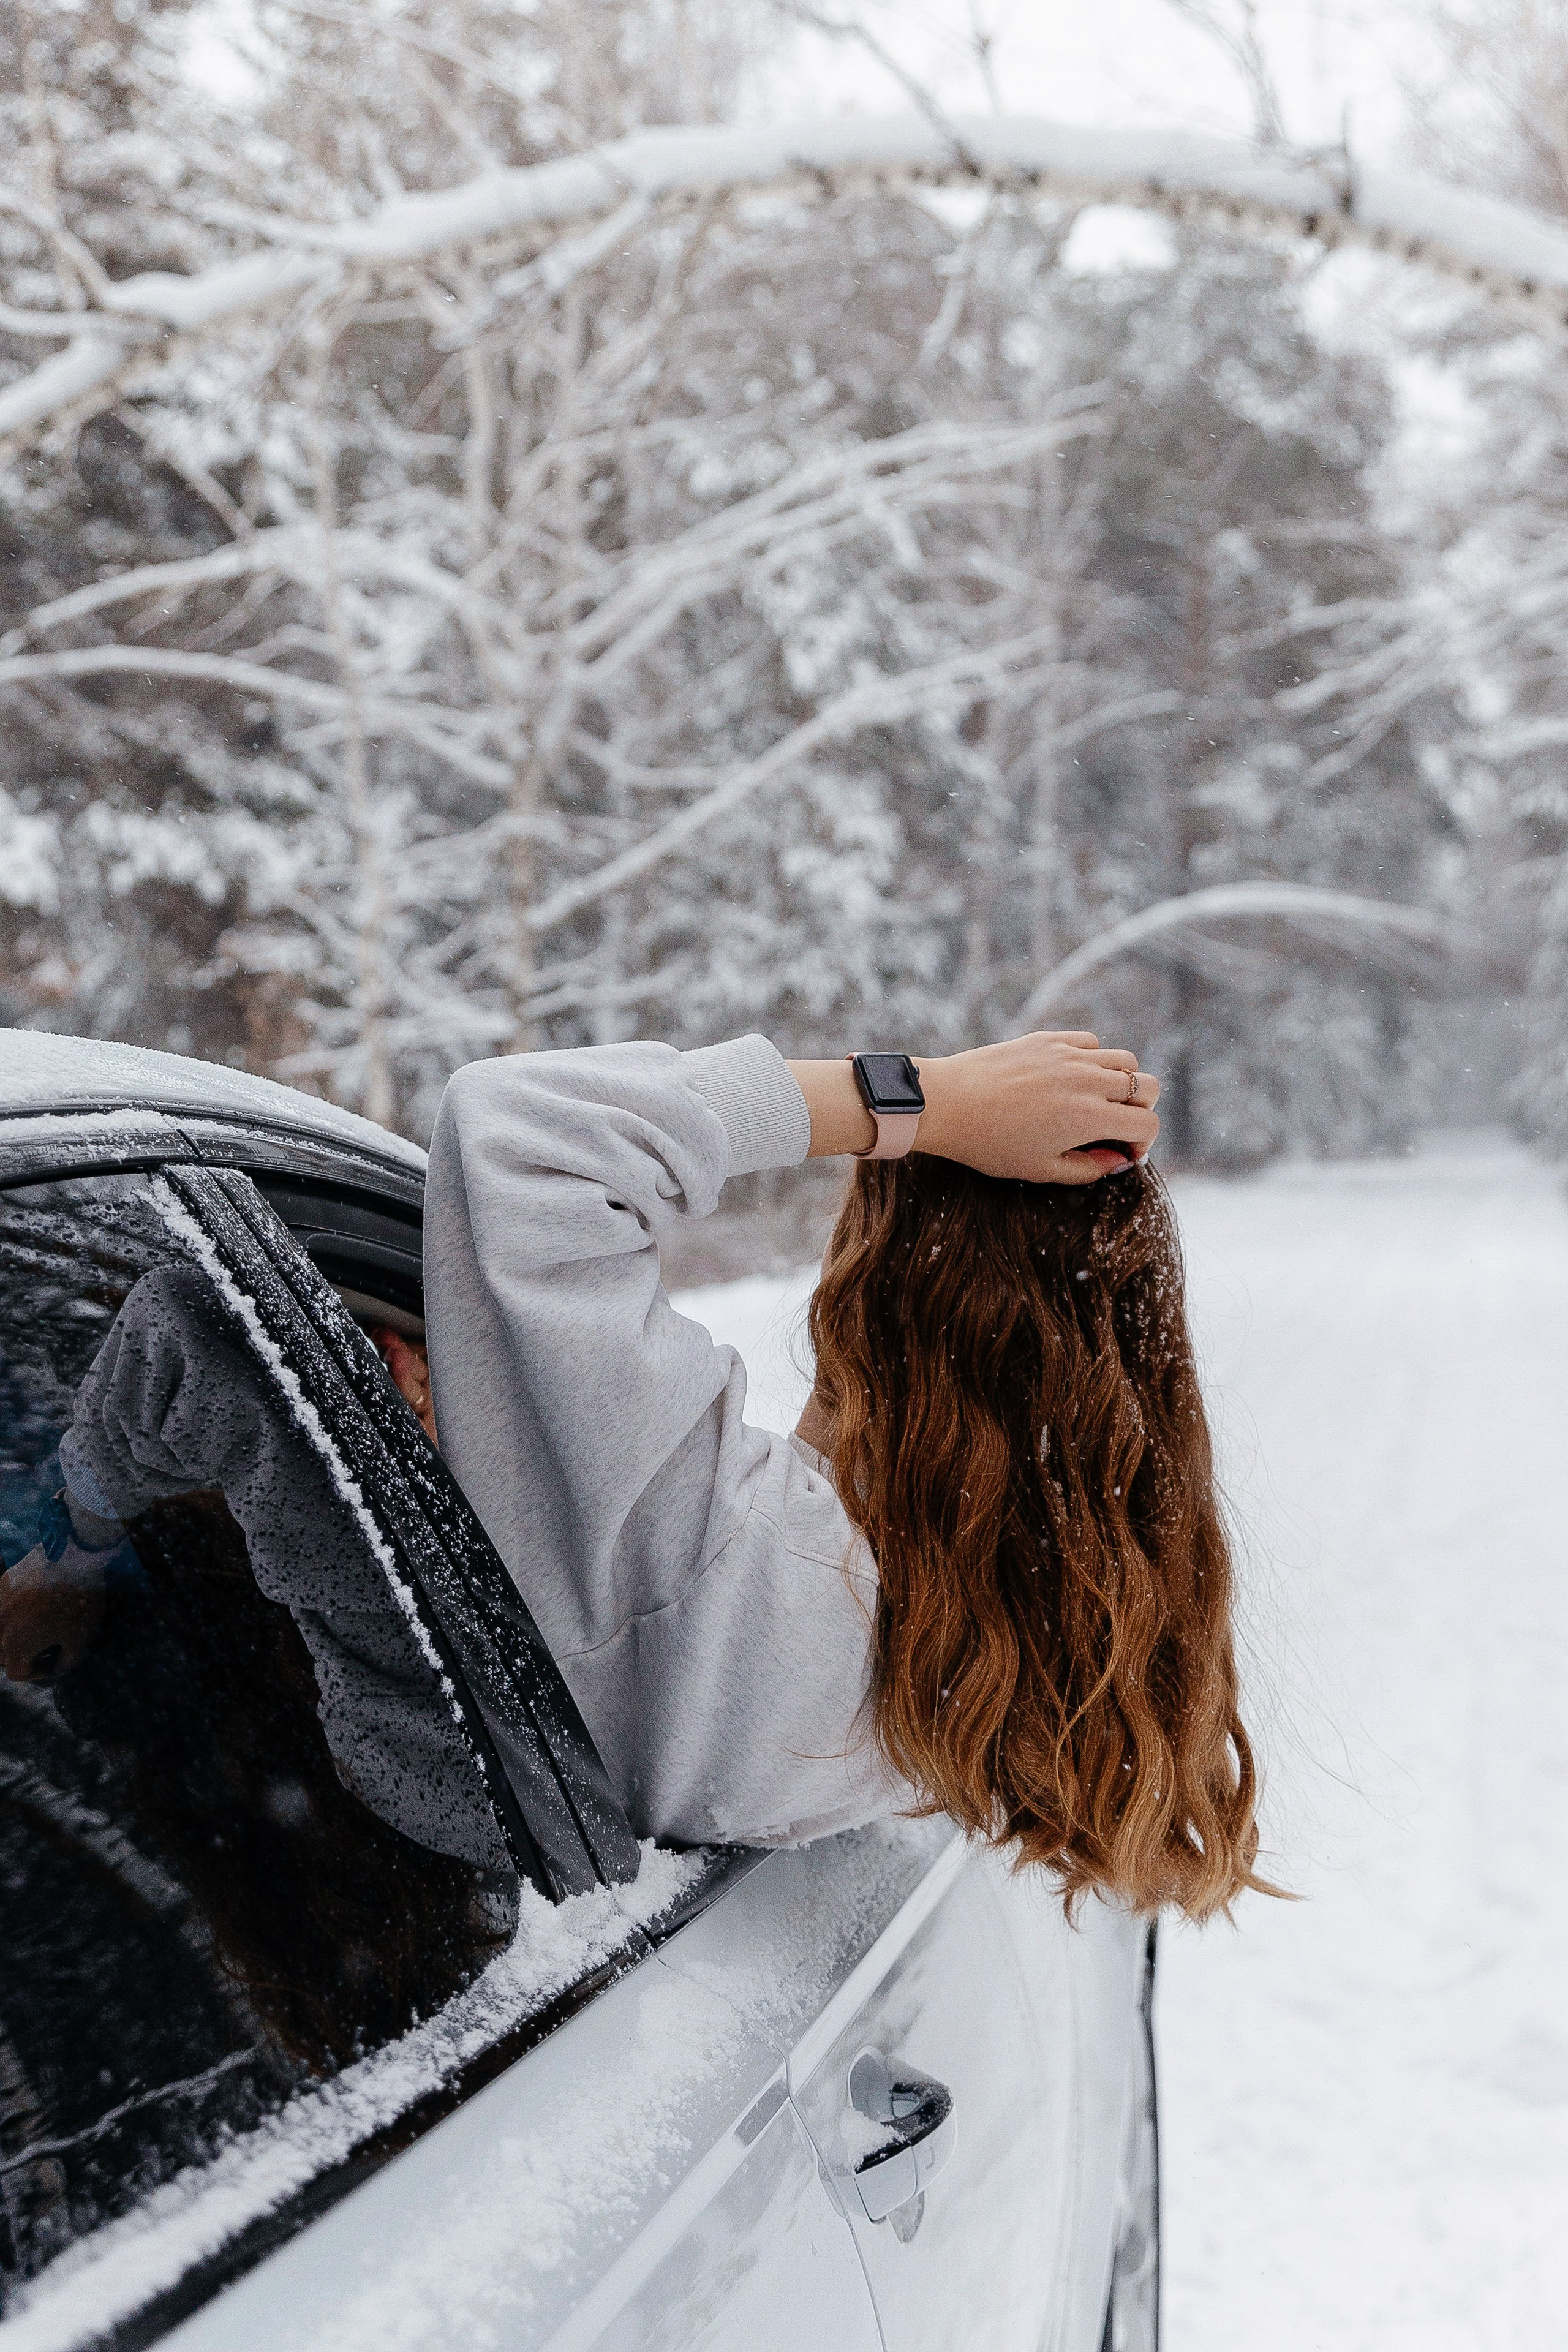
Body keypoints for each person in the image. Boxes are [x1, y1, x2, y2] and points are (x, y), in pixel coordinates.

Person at [425, 1027, 1271, 1920]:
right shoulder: (983, 1693)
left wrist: (914, 1102)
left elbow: (520, 1129)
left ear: (869, 1287)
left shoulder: (735, 1563)